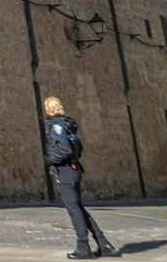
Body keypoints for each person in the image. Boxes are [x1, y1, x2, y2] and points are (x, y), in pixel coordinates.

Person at [44, 96, 119, 259]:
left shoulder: (57, 125)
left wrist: (50, 159)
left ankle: (83, 247)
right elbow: (78, 147)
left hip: (65, 171)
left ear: (49, 109)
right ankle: (103, 244)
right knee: (79, 208)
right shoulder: (67, 124)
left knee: (74, 211)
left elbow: (64, 149)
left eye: (46, 108)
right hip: (73, 169)